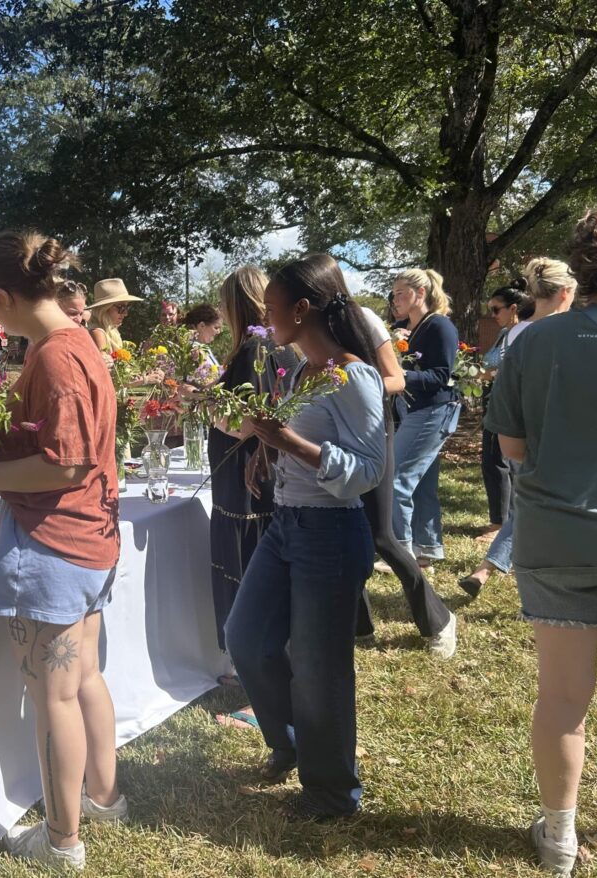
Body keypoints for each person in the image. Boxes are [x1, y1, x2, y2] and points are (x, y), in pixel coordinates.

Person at [0, 231, 124, 871]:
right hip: (89, 537)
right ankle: (104, 796)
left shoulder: (54, 357)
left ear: (6, 295)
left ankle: (62, 840)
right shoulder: (78, 344)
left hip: (53, 541)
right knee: (83, 679)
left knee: (53, 695)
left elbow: (66, 463)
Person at [486, 206, 597, 874]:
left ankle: (559, 836)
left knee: (563, 696)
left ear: (582, 263)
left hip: (555, 536)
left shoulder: (533, 340)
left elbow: (512, 447)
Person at [224, 253, 385, 821]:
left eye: (271, 308)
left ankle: (332, 793)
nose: (265, 318)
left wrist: (287, 442)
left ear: (303, 307)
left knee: (319, 668)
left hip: (331, 533)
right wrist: (267, 454)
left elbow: (369, 471)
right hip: (286, 523)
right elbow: (293, 439)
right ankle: (290, 743)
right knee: (245, 637)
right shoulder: (296, 371)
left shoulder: (353, 373)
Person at [459, 259, 576, 599]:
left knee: (531, 501)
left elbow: (504, 381)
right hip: (562, 430)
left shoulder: (520, 333)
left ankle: (486, 570)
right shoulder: (572, 331)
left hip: (524, 428)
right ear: (566, 293)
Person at [207, 267, 300, 690]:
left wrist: (204, 404)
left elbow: (246, 422)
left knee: (244, 565)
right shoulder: (278, 345)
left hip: (247, 475)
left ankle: (253, 667)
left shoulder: (253, 348)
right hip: (262, 472)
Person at [354, 299, 457, 657]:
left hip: (372, 433)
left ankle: (439, 619)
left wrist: (351, 388)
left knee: (382, 535)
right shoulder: (301, 330)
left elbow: (395, 377)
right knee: (350, 535)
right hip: (335, 439)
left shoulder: (362, 319)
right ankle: (358, 625)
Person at [389, 268, 461, 565]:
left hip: (434, 411)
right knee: (421, 483)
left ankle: (399, 550)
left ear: (421, 293)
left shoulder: (439, 327)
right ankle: (428, 548)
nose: (395, 299)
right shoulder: (408, 328)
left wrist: (399, 374)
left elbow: (442, 375)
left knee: (396, 479)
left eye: (400, 293)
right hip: (417, 410)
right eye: (393, 294)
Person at [475, 281, 532, 544]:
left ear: (513, 308)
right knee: (497, 462)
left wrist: (488, 373)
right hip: (496, 401)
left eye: (496, 310)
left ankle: (499, 524)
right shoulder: (504, 333)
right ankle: (506, 520)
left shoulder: (523, 333)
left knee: (497, 462)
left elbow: (517, 368)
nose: (493, 315)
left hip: (509, 405)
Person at [88, 278, 143, 353]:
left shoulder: (110, 332)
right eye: (121, 307)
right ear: (105, 308)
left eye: (127, 307)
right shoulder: (98, 333)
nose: (125, 313)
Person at [181, 303, 223, 368]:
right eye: (216, 328)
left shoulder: (204, 348)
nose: (218, 332)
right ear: (202, 325)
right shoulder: (193, 350)